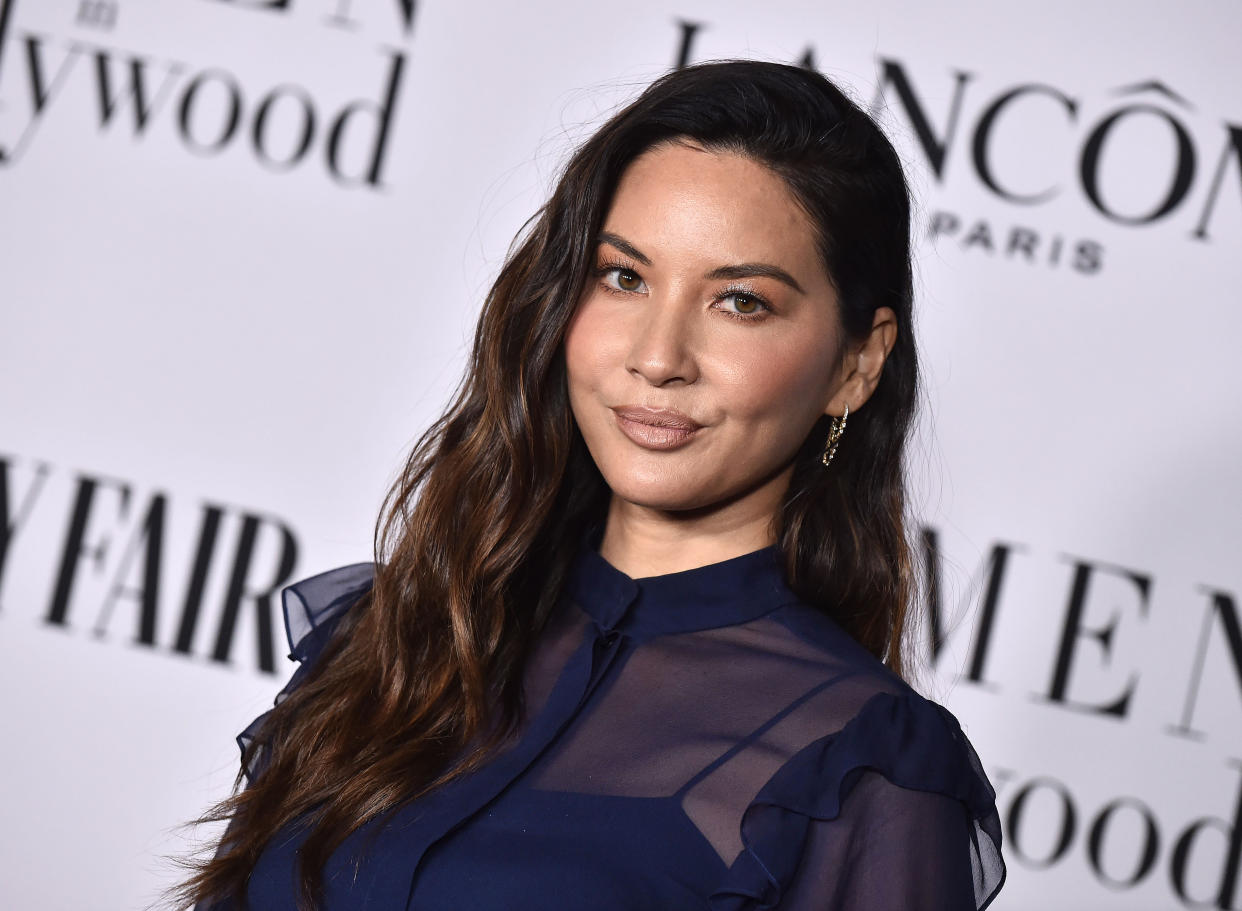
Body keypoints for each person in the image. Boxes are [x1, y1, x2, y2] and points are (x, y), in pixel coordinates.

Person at [172, 59, 1006, 910]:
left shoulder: (867, 769)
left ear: (857, 364)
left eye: (741, 302)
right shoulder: (394, 641)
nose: (657, 356)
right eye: (624, 277)